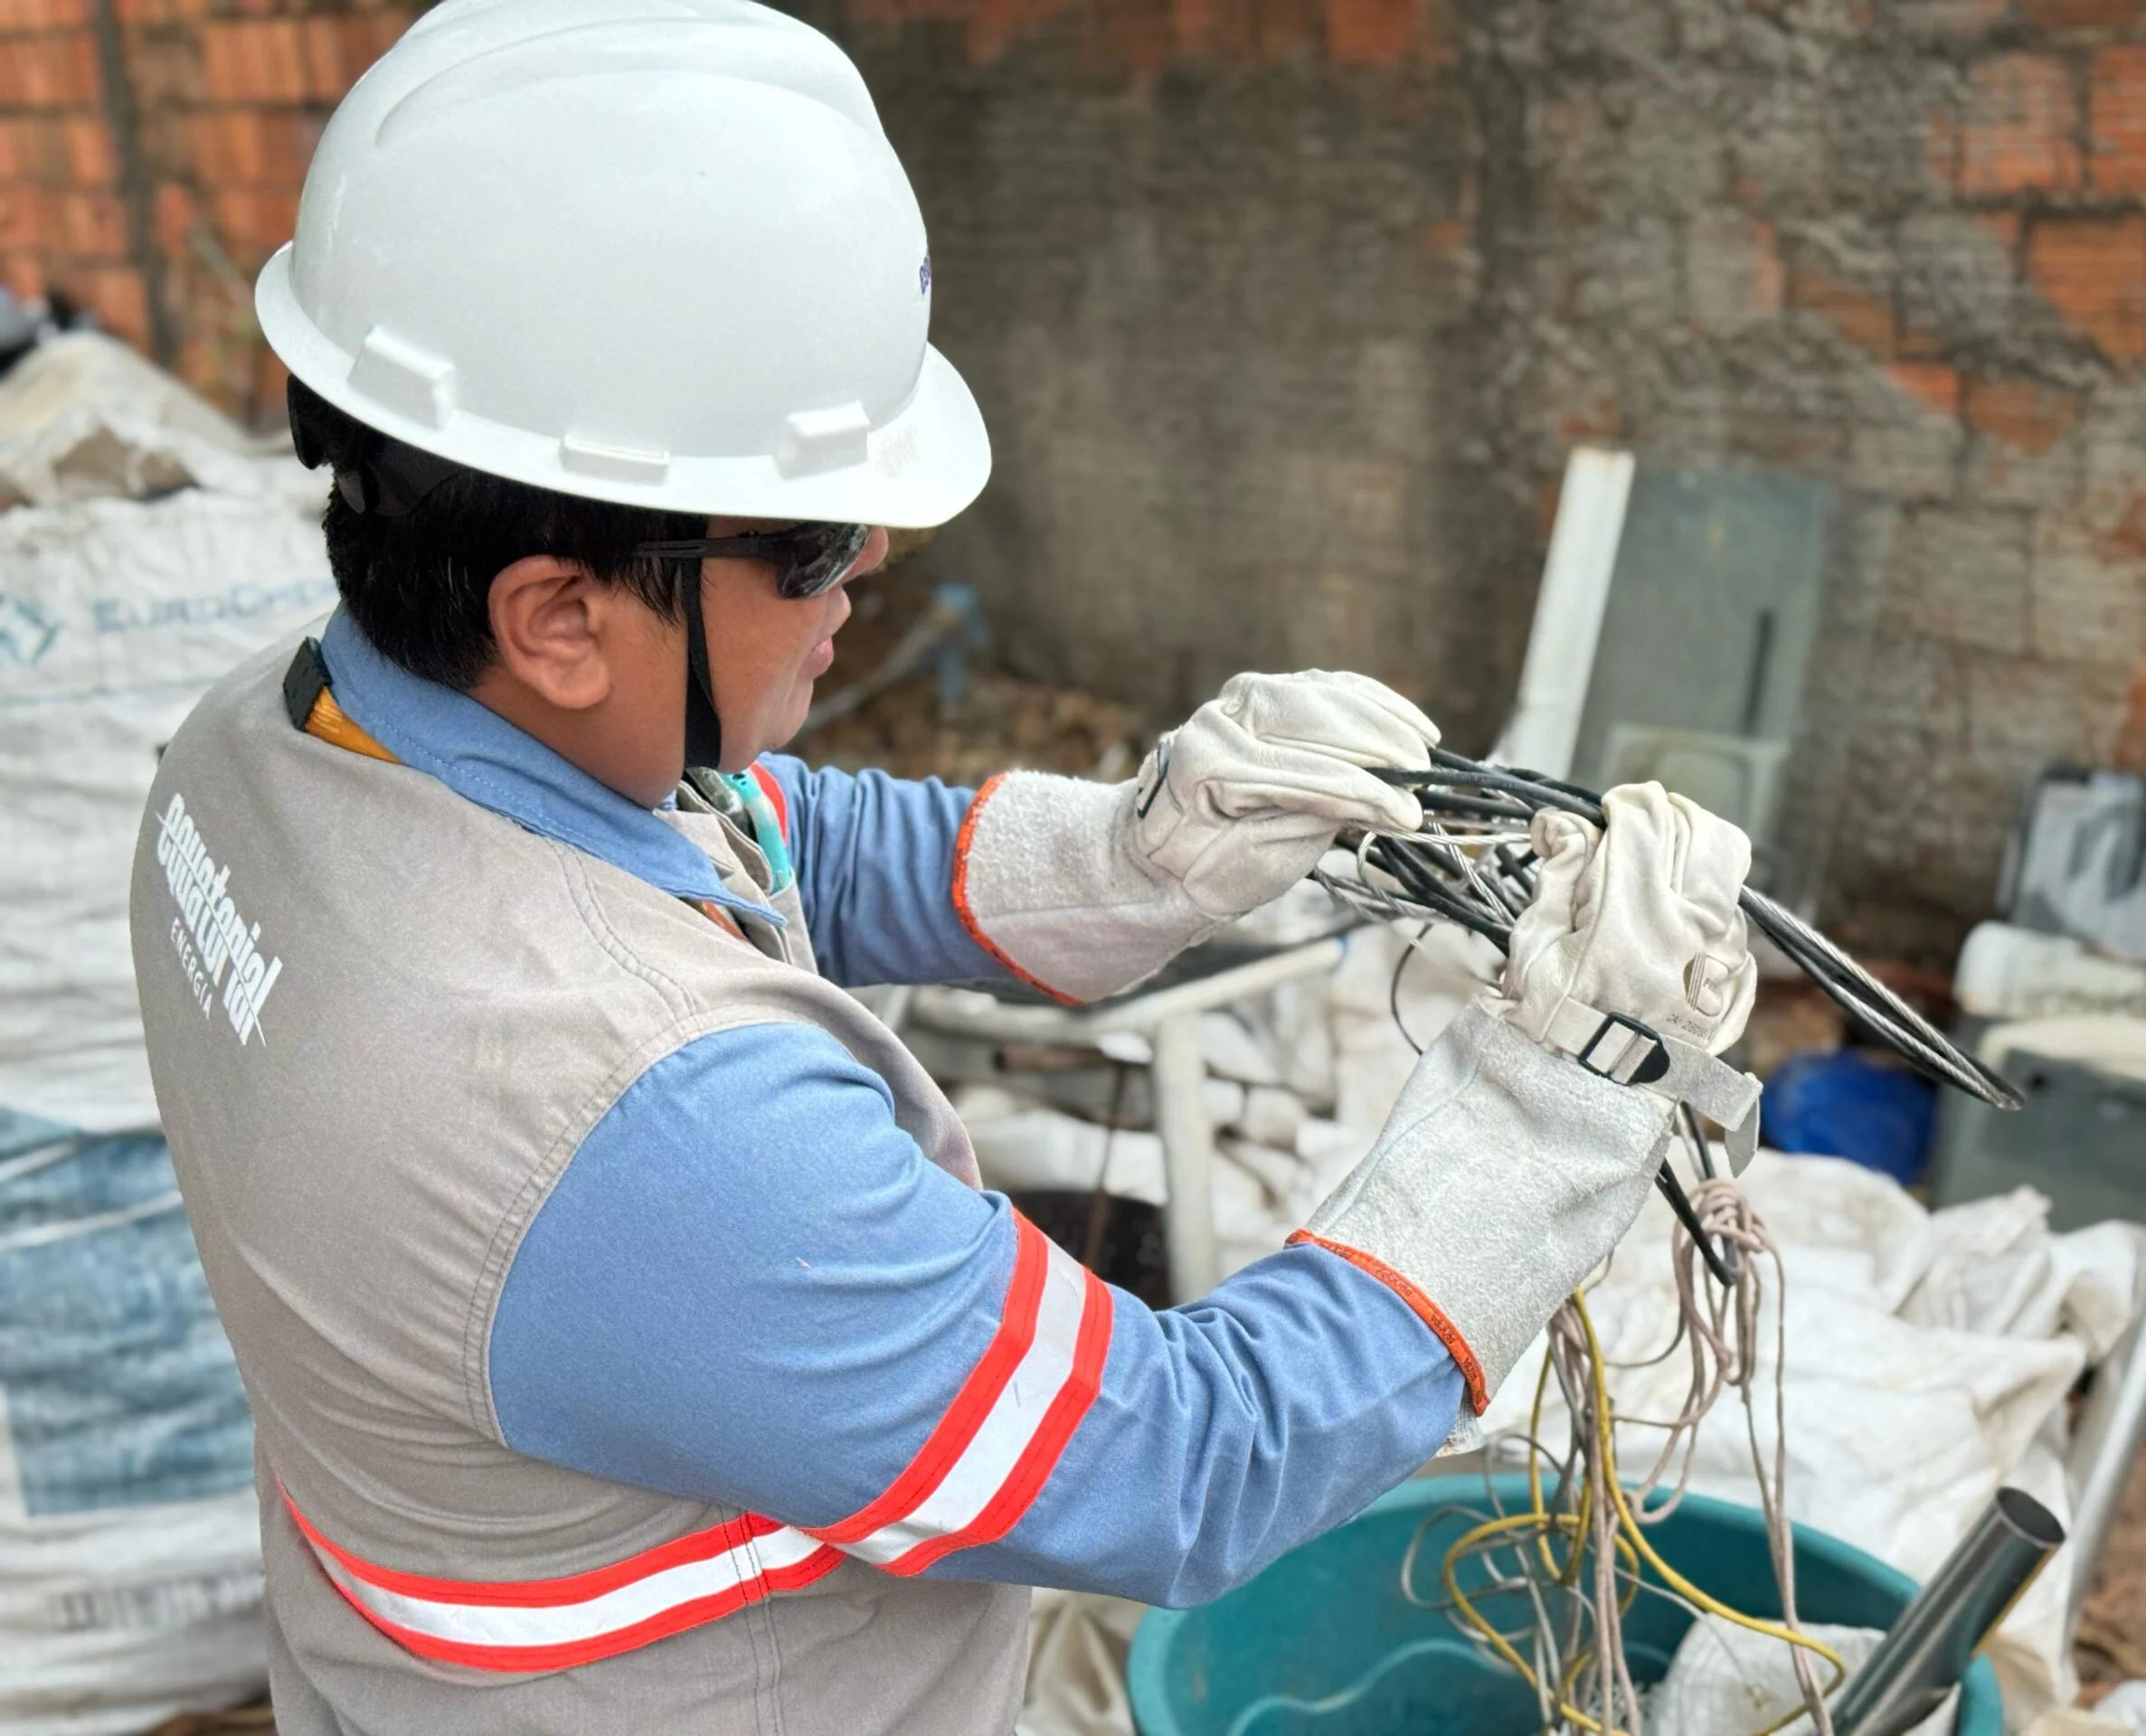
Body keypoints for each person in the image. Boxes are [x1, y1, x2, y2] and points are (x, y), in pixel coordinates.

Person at [128, 4, 1762, 1731]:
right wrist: (1545, 1115)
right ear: (559, 614)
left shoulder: (270, 744)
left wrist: (1145, 852)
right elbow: (1182, 1462)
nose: (876, 561)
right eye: (818, 538)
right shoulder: (643, 1127)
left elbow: (749, 846)